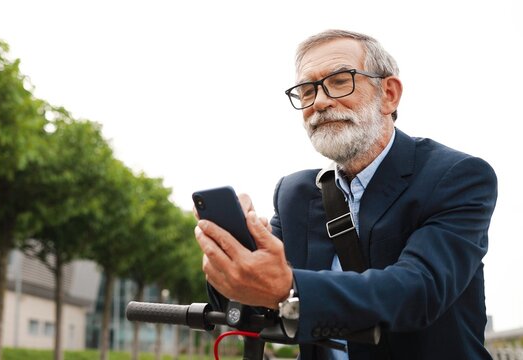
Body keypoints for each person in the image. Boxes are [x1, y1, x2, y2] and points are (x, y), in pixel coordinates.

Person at [194, 29, 498, 360]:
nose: (319, 102)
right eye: (307, 90)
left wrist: (289, 288)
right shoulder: (294, 193)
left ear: (389, 94)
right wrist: (235, 258)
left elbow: (418, 291)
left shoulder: (457, 177)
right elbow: (255, 297)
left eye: (340, 81)